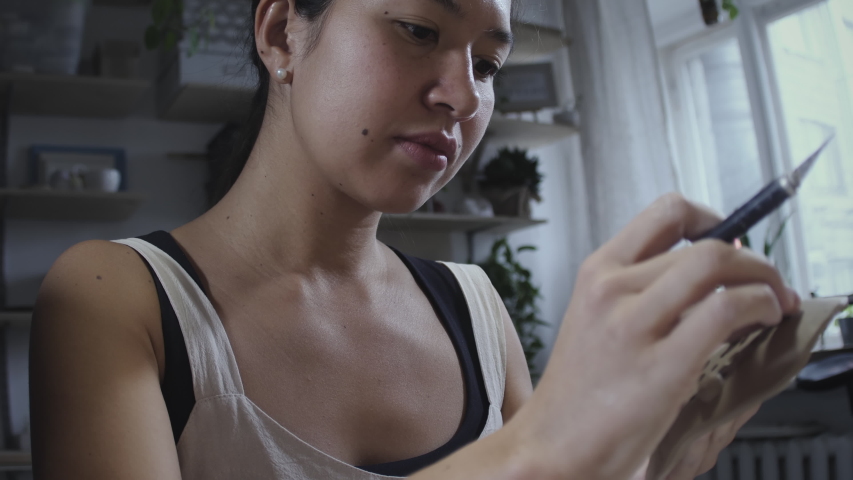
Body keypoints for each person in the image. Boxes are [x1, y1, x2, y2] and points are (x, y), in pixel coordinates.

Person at [29, 0, 800, 478]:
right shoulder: (112, 298)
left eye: (488, 62)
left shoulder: (473, 306)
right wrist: (537, 451)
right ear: (281, 35)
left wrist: (656, 453)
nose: (464, 96)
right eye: (418, 29)